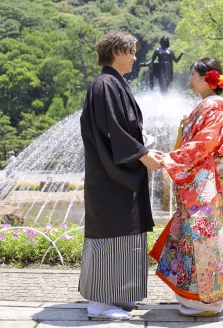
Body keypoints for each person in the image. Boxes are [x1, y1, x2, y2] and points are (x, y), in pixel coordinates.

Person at [150, 57, 223, 317]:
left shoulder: (212, 112)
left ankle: (206, 302)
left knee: (204, 243)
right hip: (205, 188)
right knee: (200, 242)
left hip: (205, 190)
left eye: (193, 74)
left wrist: (169, 159)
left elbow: (202, 146)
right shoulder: (210, 110)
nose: (189, 79)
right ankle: (199, 300)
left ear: (208, 78)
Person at [78, 30, 164, 321]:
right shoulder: (105, 85)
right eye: (131, 52)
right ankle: (100, 302)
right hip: (109, 176)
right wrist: (142, 154)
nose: (135, 58)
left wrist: (145, 145)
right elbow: (114, 130)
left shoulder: (114, 84)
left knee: (124, 231)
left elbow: (125, 130)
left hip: (119, 174)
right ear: (115, 51)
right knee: (110, 231)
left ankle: (118, 294)